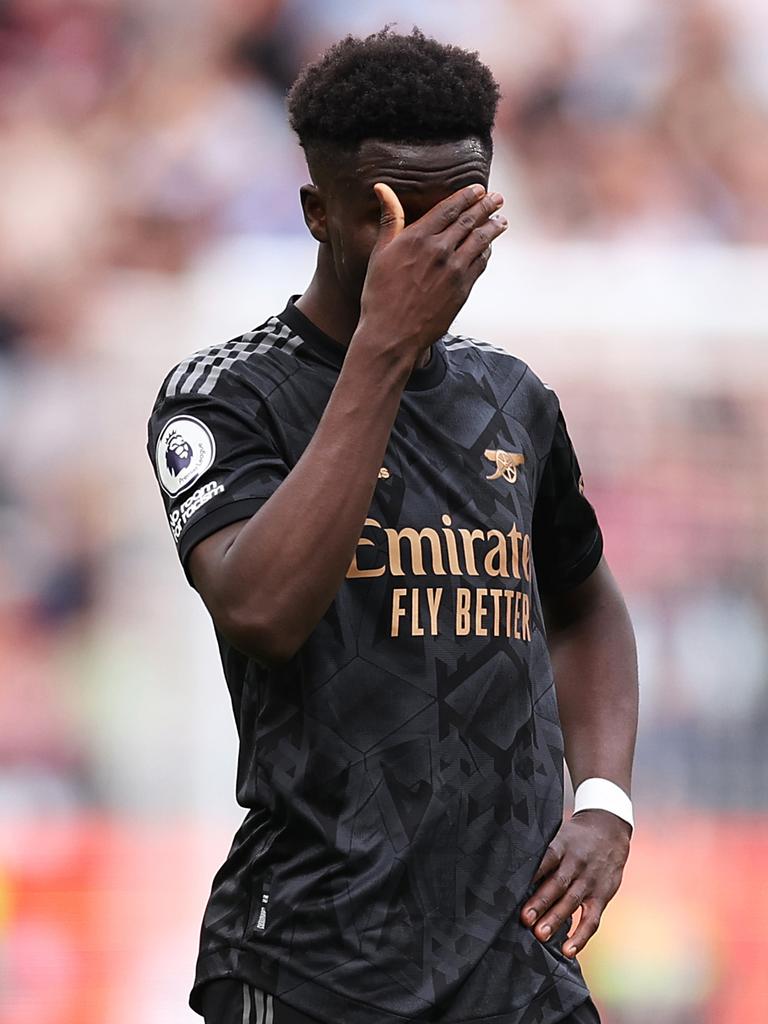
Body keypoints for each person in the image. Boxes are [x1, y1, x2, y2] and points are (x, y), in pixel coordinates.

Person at [147, 28, 638, 1024]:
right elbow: (262, 608)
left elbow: (586, 606)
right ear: (317, 212)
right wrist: (383, 344)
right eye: (389, 216)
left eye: (453, 211)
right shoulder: (228, 398)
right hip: (314, 961)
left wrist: (604, 802)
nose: (425, 246)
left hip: (517, 960)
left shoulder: (513, 400)